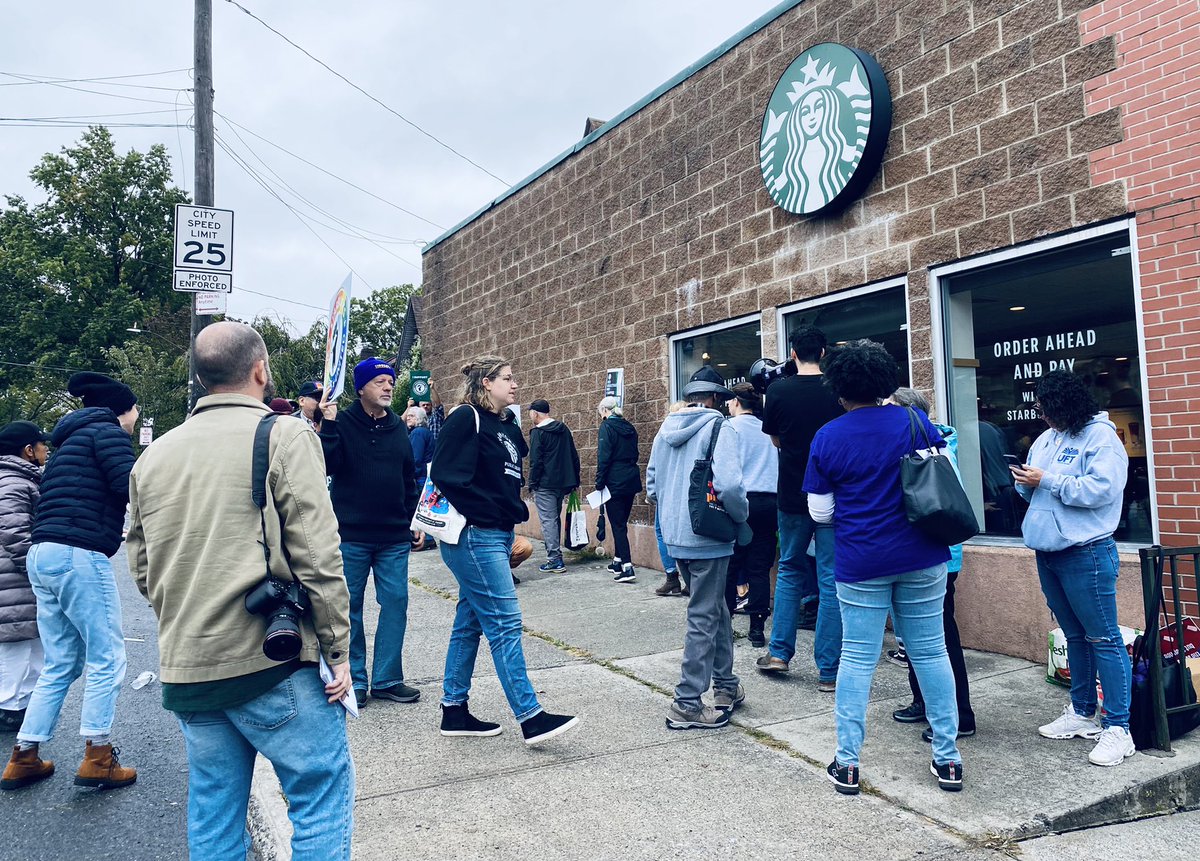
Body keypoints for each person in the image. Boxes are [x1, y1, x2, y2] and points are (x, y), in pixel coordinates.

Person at [125, 321, 354, 859]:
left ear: (202, 378)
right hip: (271, 661)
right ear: (260, 370)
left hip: (191, 665)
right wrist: (338, 650)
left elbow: (142, 565)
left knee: (214, 809)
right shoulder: (284, 434)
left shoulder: (154, 455)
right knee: (319, 797)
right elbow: (318, 555)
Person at [803, 340, 962, 795]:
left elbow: (820, 513)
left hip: (862, 558)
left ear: (838, 387)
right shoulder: (915, 421)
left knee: (858, 657)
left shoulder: (828, 436)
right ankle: (948, 758)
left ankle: (848, 763)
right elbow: (941, 473)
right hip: (924, 554)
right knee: (931, 652)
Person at [430, 356, 578, 745]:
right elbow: (446, 474)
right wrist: (488, 513)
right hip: (475, 535)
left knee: (470, 623)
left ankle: (454, 710)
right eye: (507, 379)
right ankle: (531, 717)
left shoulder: (503, 423)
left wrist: (509, 422)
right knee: (505, 623)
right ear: (485, 383)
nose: (515, 385)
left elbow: (515, 463)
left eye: (514, 378)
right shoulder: (465, 417)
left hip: (494, 533)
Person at [2, 373, 140, 791]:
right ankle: (98, 756)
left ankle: (24, 755)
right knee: (108, 657)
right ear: (121, 409)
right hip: (79, 554)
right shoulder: (108, 434)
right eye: (135, 409)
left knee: (61, 662)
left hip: (43, 556)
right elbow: (133, 487)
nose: (136, 417)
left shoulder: (67, 442)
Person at [1012, 369, 1133, 767]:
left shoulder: (1102, 438)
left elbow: (1102, 490)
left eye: (1046, 408)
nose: (1041, 416)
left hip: (1087, 551)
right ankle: (1082, 713)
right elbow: (1034, 485)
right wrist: (1026, 482)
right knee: (1076, 636)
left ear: (1066, 406)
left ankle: (1119, 728)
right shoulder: (1048, 438)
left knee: (1104, 638)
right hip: (1048, 550)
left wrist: (1047, 480)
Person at [647, 366, 749, 730]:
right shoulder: (721, 428)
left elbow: (653, 484)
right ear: (717, 399)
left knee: (715, 609)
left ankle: (726, 686)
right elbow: (732, 487)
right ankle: (687, 701)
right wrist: (741, 519)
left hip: (676, 533)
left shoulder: (665, 428)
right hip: (708, 534)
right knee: (703, 615)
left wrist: (672, 511)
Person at [319, 358, 421, 710]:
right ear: (361, 388)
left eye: (390, 381)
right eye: (380, 381)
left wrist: (412, 520)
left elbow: (409, 477)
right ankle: (356, 680)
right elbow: (327, 466)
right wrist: (328, 425)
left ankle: (388, 678)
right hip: (351, 535)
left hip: (393, 535)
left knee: (396, 604)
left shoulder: (398, 427)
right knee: (351, 608)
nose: (389, 387)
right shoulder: (342, 423)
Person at [757, 325, 843, 693]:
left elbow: (776, 440)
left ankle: (779, 653)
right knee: (831, 579)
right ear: (824, 352)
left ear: (792, 353)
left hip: (792, 493)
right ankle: (829, 670)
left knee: (790, 569)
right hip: (835, 496)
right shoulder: (837, 389)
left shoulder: (777, 390)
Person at [887, 388, 976, 741]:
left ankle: (960, 715)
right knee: (913, 636)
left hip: (939, 554)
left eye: (892, 410)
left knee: (939, 639)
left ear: (911, 416)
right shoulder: (920, 444)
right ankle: (922, 700)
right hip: (923, 553)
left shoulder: (936, 450)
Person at [0, 422, 49, 733]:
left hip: (15, 579)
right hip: (13, 579)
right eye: (42, 445)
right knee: (16, 644)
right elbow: (15, 532)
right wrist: (36, 567)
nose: (46, 451)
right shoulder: (13, 483)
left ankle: (22, 703)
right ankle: (9, 707)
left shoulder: (17, 479)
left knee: (29, 640)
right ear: (28, 450)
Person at [724, 383, 778, 649]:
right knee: (760, 566)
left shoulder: (730, 428)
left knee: (731, 564)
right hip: (769, 500)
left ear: (736, 402)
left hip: (741, 499)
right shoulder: (767, 429)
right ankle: (757, 628)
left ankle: (726, 623)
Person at [527, 399, 581, 573]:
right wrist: (575, 479)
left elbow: (536, 461)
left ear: (535, 413)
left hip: (545, 483)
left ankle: (555, 559)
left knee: (548, 520)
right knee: (554, 518)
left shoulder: (538, 432)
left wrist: (532, 481)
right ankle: (555, 555)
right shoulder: (563, 429)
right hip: (563, 483)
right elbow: (573, 454)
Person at [596, 396, 642, 583]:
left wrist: (599, 482)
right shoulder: (629, 427)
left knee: (618, 525)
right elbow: (636, 452)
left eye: (601, 413)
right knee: (621, 522)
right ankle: (617, 561)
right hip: (631, 478)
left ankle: (627, 567)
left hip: (614, 480)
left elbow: (603, 457)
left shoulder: (607, 427)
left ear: (605, 411)